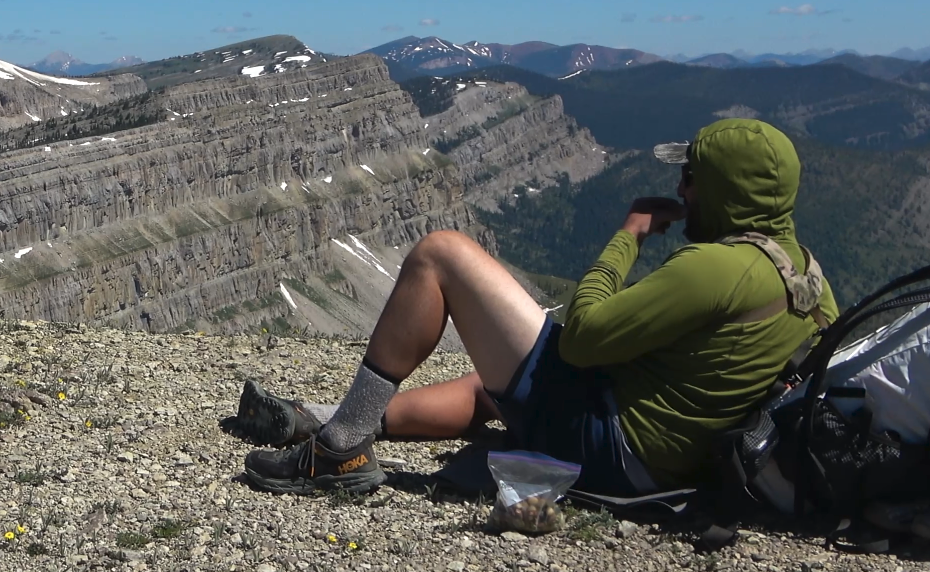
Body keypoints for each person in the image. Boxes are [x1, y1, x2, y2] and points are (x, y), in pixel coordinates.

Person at [236, 117, 837, 497]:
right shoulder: (806, 274)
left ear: (724, 191)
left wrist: (628, 235)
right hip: (676, 459)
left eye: (690, 176)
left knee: (439, 254)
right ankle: (325, 417)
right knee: (489, 380)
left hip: (612, 450)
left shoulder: (716, 269)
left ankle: (339, 447)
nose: (680, 188)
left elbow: (582, 334)